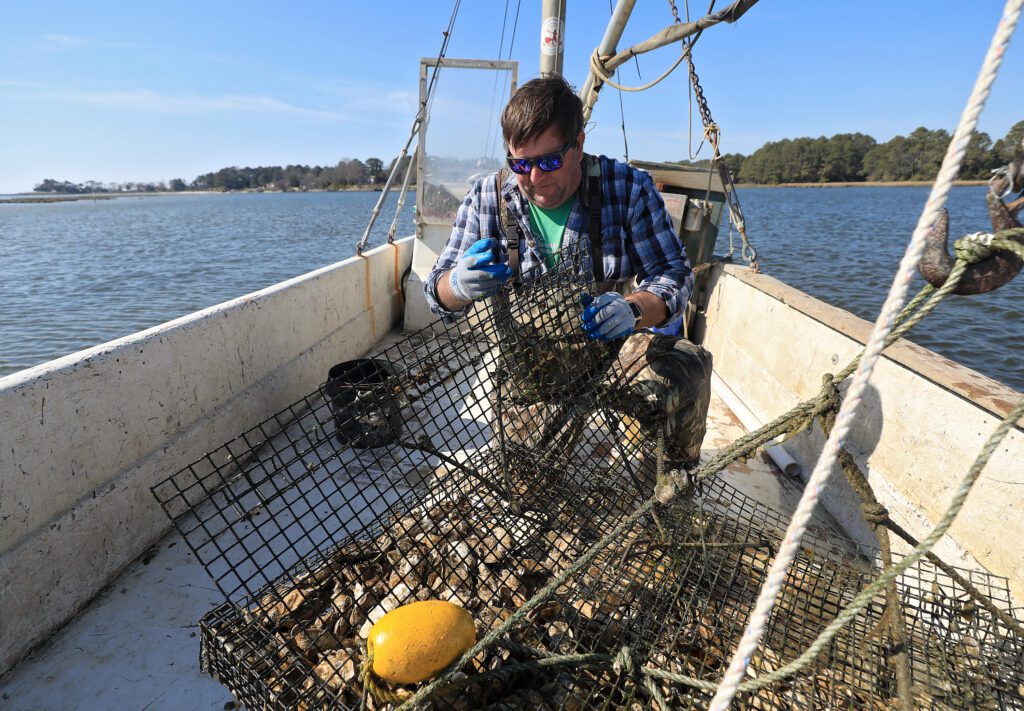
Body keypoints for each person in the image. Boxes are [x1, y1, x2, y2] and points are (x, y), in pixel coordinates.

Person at [424, 74, 693, 340]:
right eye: (520, 164)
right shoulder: (486, 197)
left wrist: (634, 309)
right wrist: (457, 285)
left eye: (549, 162)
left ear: (578, 144)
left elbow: (673, 272)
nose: (534, 178)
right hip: (520, 362)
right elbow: (436, 293)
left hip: (611, 357)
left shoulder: (628, 188)